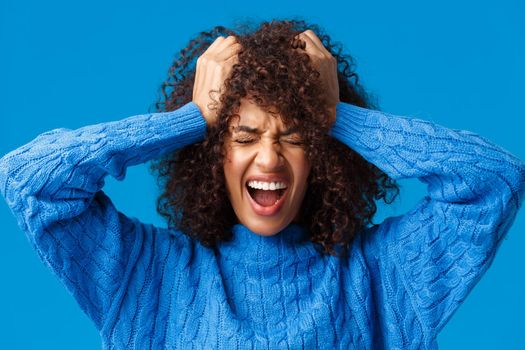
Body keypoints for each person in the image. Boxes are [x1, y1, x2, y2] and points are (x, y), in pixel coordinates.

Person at [0, 19, 524, 349]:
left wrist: (336, 114)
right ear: (214, 157)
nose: (269, 158)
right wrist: (189, 120)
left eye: (295, 137)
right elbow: (28, 181)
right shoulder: (148, 278)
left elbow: (493, 181)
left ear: (321, 157)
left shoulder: (382, 278)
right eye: (244, 136)